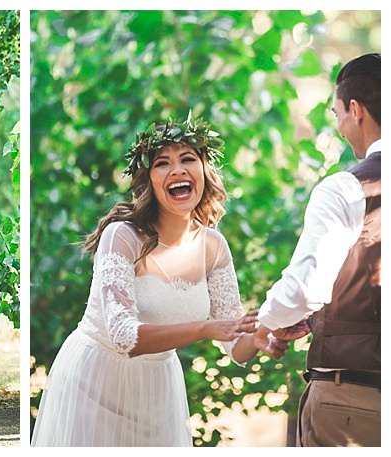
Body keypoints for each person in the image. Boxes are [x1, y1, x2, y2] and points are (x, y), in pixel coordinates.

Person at [30, 113, 293, 446]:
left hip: (158, 390)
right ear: (149, 180)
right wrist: (204, 328)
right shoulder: (121, 237)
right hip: (94, 382)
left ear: (203, 172)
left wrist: (257, 338)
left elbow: (234, 343)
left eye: (187, 159)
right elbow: (125, 338)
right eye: (162, 163)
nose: (177, 170)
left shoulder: (213, 247)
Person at [254, 53, 381, 446]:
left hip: (356, 405)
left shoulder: (345, 188)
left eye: (337, 112)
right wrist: (315, 320)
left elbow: (305, 288)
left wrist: (268, 321)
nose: (339, 124)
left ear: (355, 111)